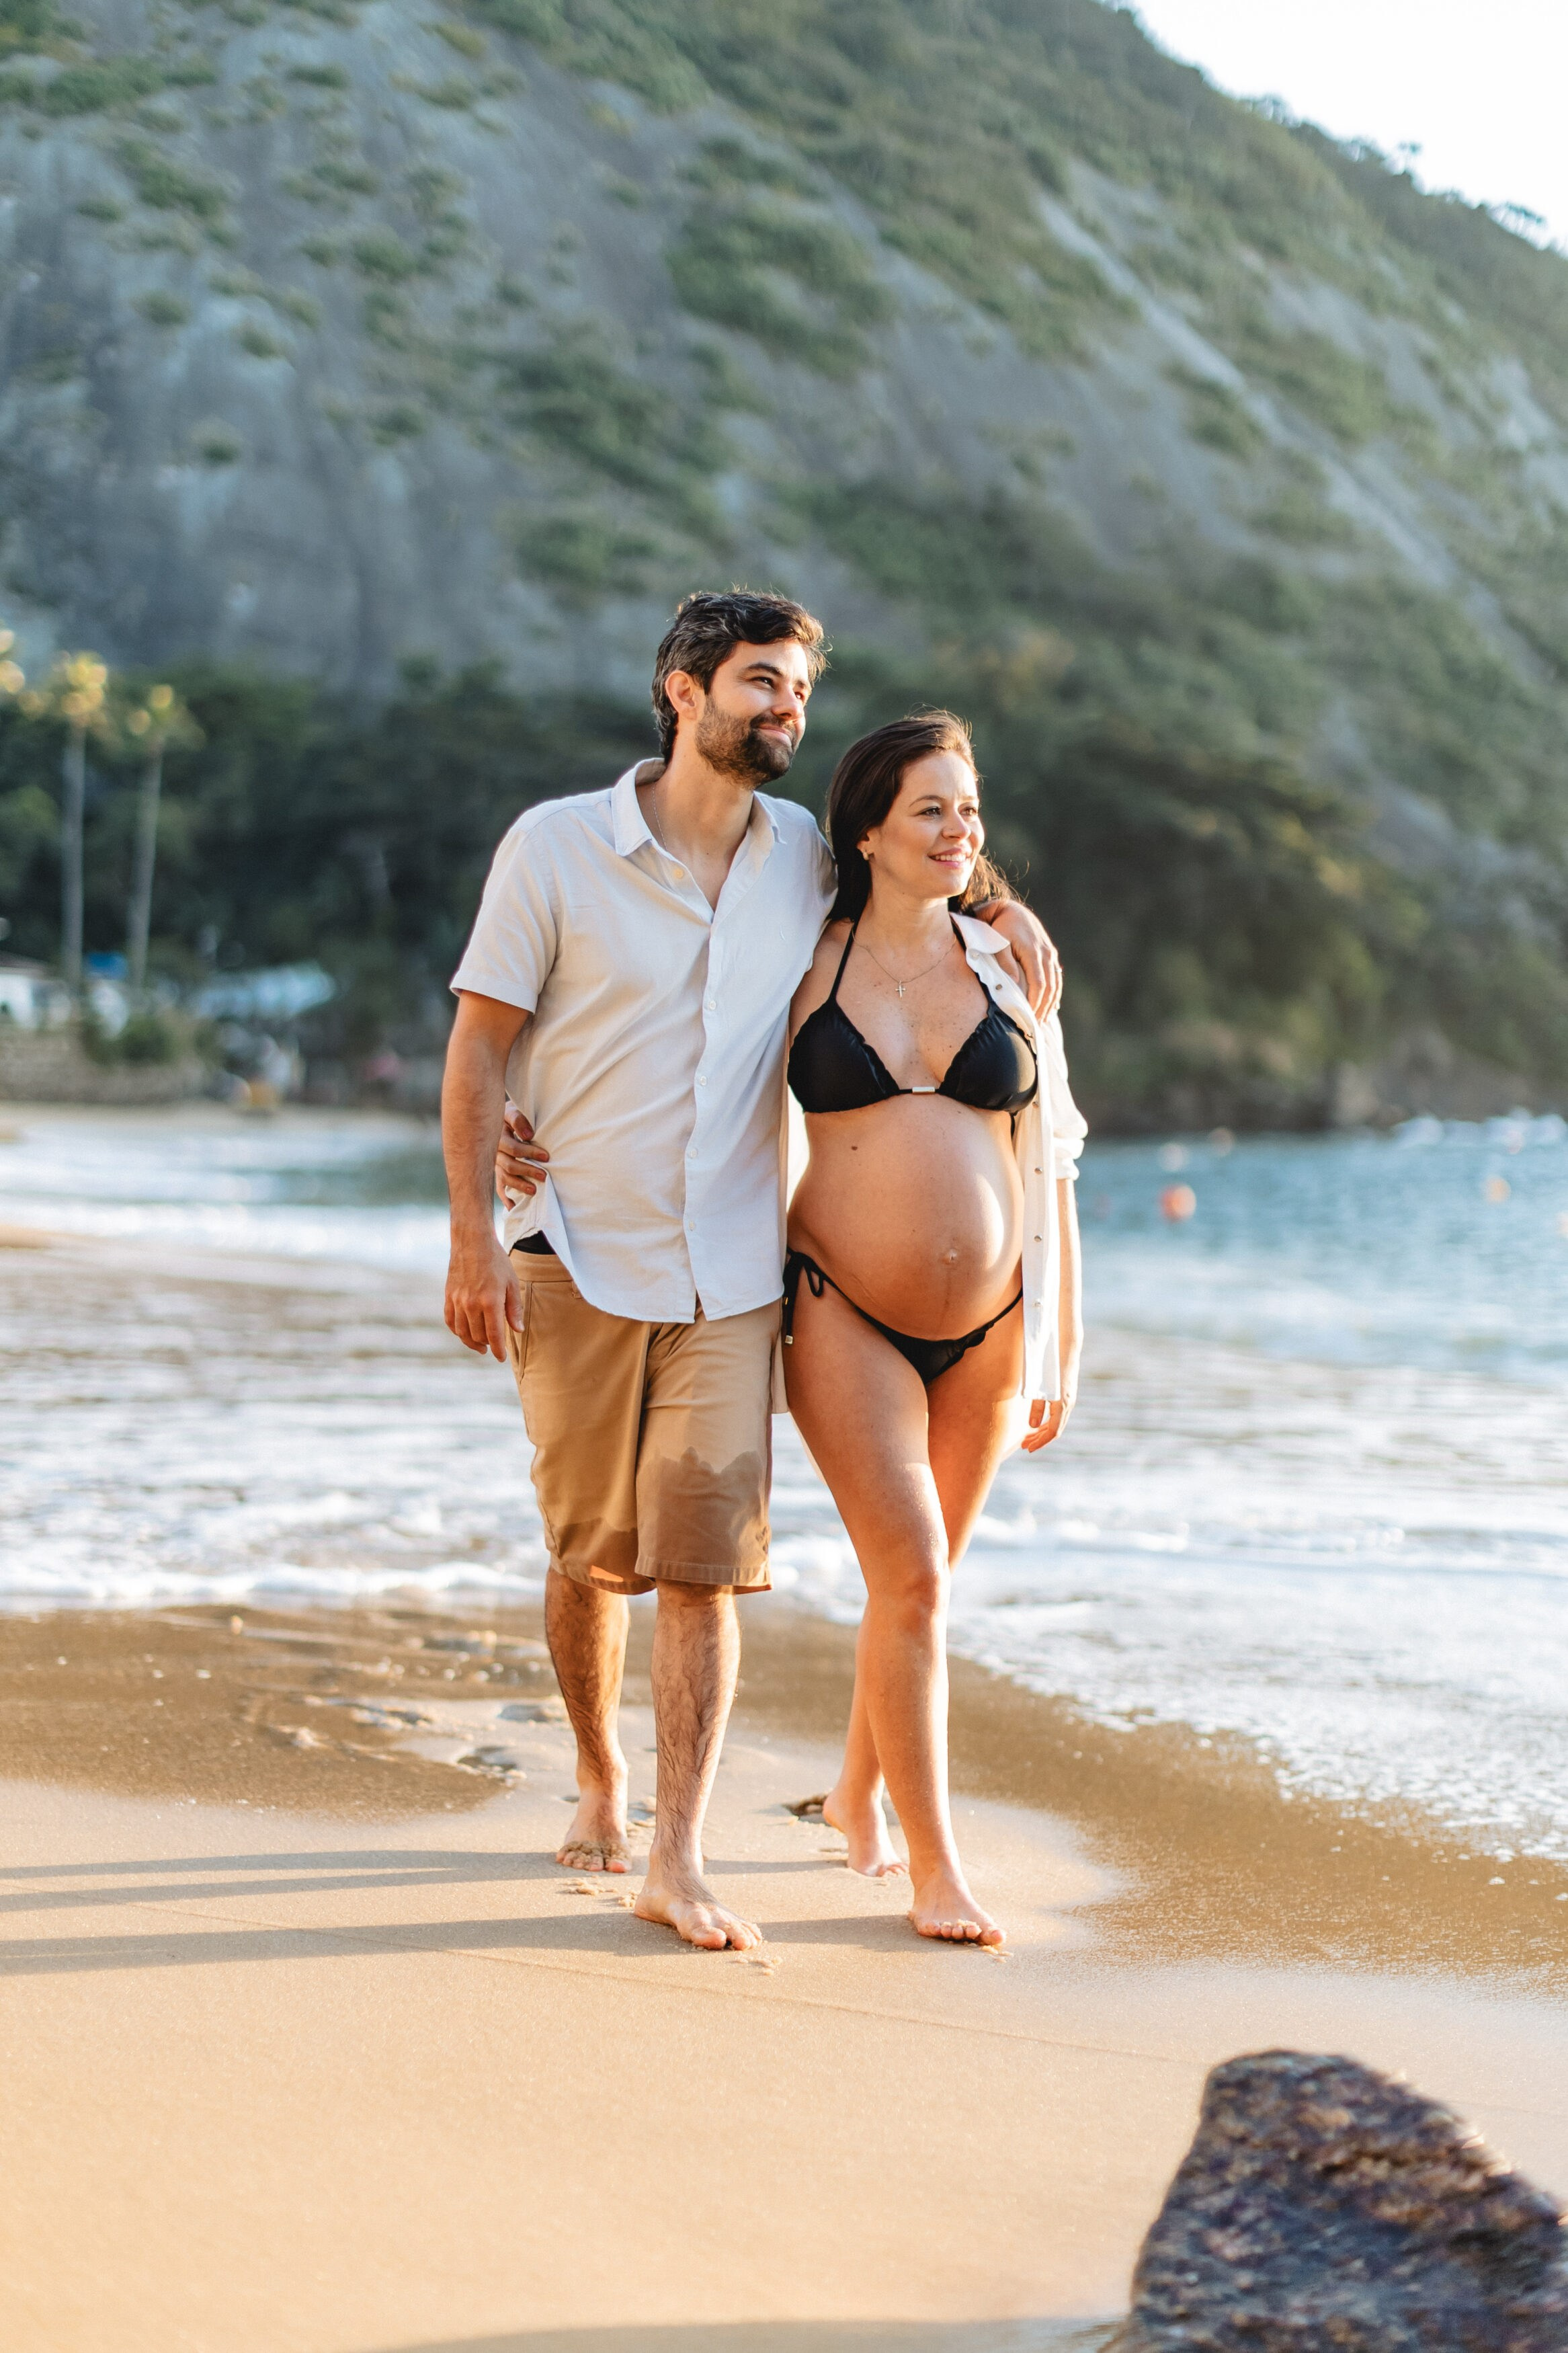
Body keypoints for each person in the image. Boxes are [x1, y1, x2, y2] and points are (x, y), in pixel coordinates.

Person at [446, 590, 1059, 1953]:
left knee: (708, 1564)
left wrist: (1009, 913)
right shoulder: (557, 847)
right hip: (581, 1248)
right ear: (684, 690)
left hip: (734, 1269)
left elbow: (932, 879)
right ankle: (602, 1779)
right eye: (760, 685)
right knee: (591, 1553)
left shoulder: (799, 859)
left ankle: (680, 1852)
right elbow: (484, 1043)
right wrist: (478, 1223)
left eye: (796, 691)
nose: (785, 710)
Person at [781, 713, 1085, 1948]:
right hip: (839, 1306)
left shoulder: (1007, 963)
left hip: (997, 1321)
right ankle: (933, 1870)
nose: (959, 831)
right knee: (907, 1571)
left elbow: (1053, 1154)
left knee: (922, 1588)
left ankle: (857, 1784)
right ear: (867, 826)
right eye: (930, 810)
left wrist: (1066, 1334)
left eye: (968, 810)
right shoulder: (793, 957)